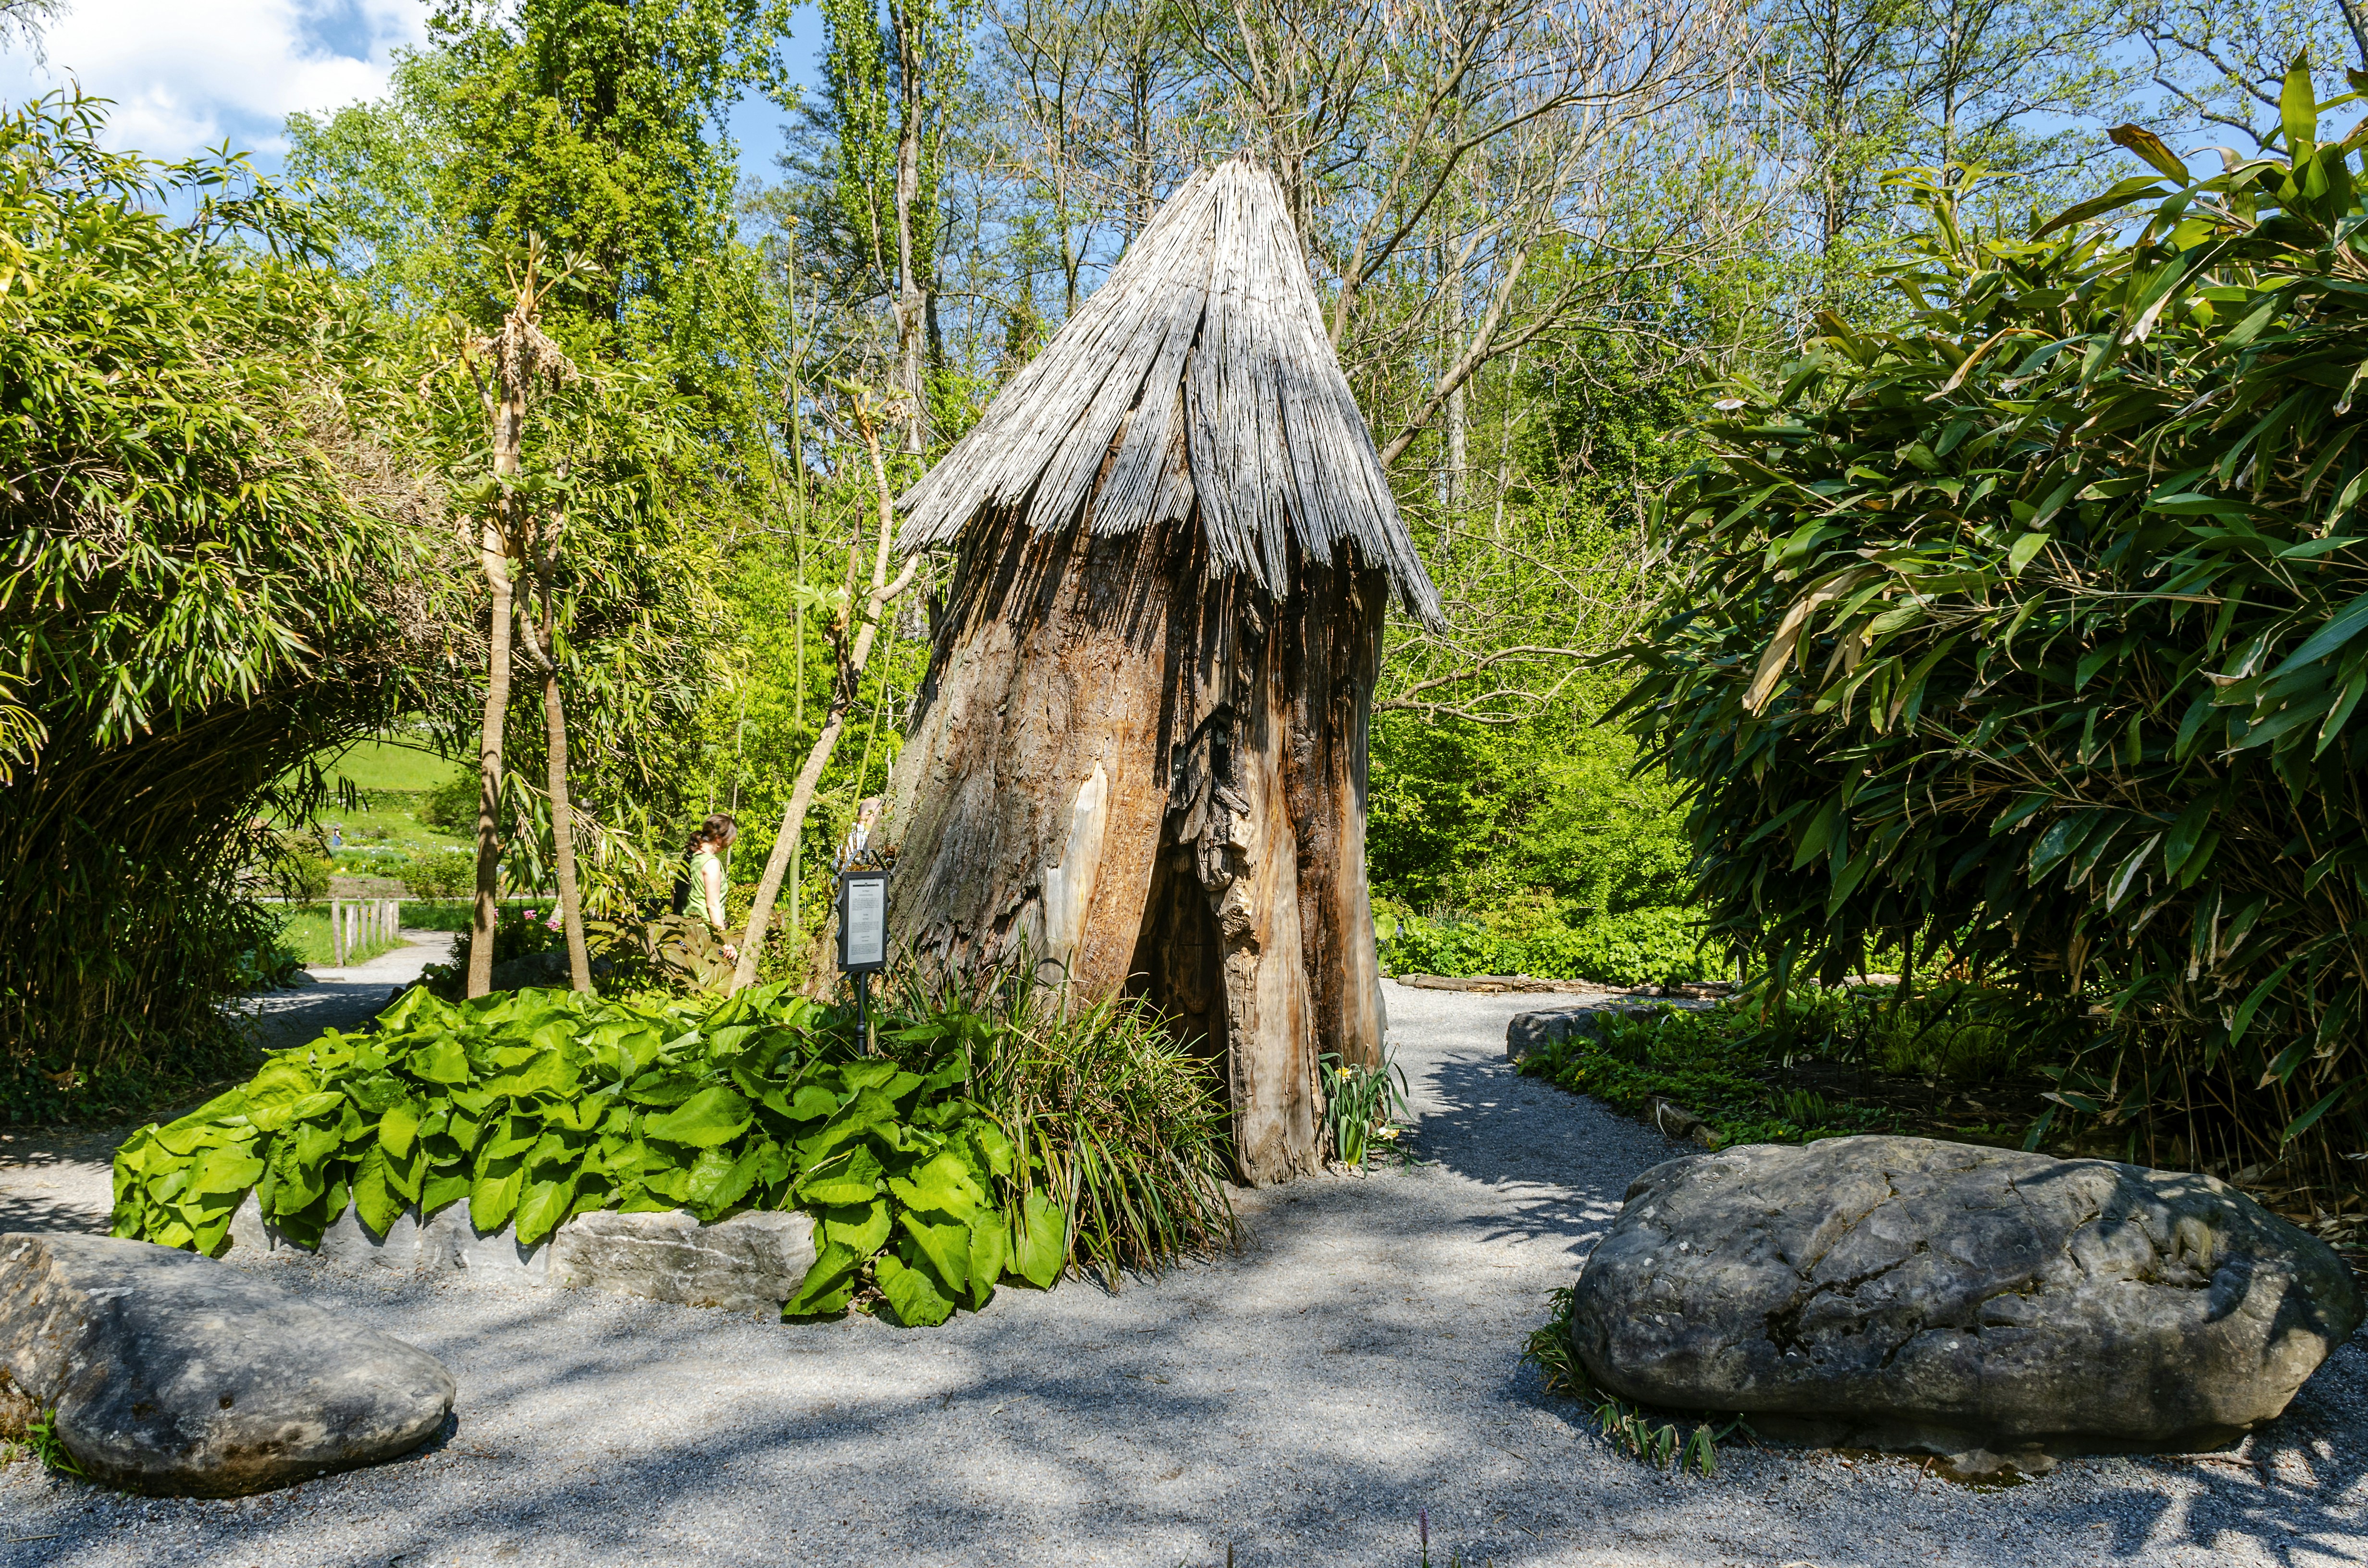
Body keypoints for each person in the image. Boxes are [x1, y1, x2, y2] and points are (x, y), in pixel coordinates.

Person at [674, 813, 739, 962]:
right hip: (705, 938)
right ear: (718, 839)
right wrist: (726, 941)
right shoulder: (711, 863)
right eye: (728, 842)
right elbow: (713, 905)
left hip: (684, 932)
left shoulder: (691, 856)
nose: (727, 847)